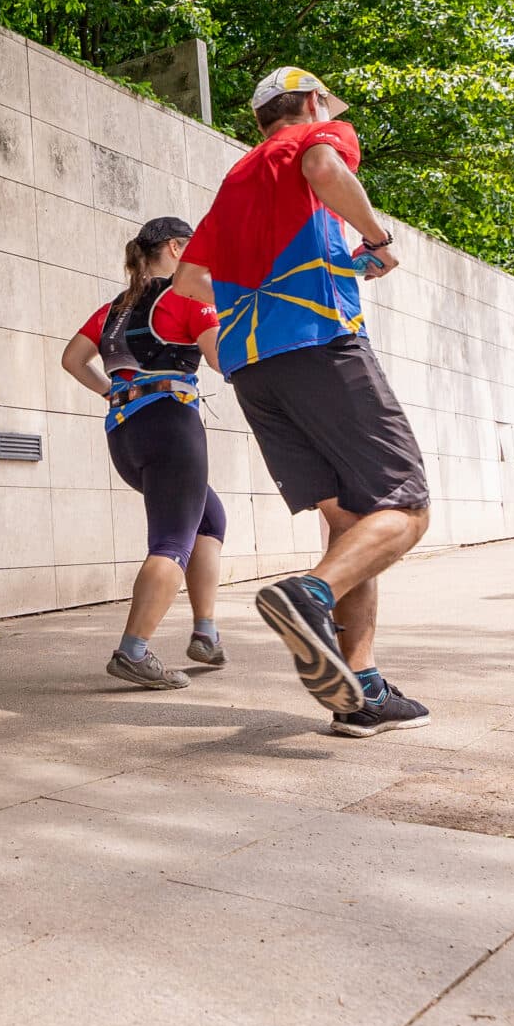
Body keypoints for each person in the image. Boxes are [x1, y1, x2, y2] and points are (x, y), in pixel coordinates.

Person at [169, 67, 433, 737]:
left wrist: (302, 267)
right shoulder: (318, 136)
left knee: (352, 524)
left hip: (253, 365)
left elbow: (188, 278)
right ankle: (306, 594)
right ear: (311, 103)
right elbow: (322, 163)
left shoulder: (236, 180)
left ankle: (361, 689)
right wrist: (374, 239)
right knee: (405, 506)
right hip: (321, 345)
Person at [60, 216, 229, 688]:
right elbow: (219, 358)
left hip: (125, 433)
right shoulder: (185, 296)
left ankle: (205, 633)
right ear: (176, 248)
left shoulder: (115, 308)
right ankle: (133, 651)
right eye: (195, 248)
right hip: (171, 426)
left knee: (210, 519)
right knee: (172, 543)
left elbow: (73, 360)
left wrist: (115, 392)